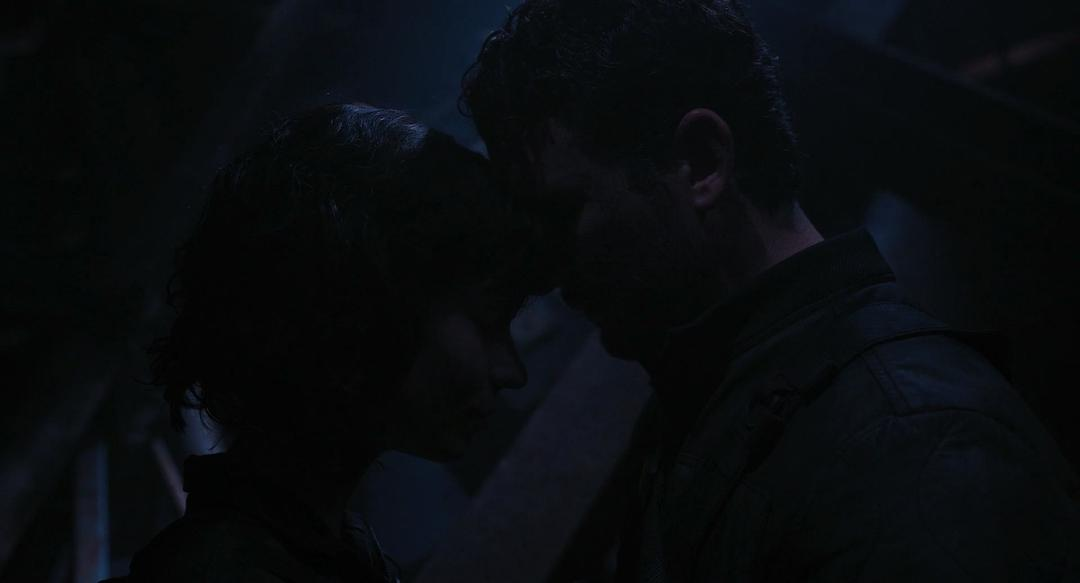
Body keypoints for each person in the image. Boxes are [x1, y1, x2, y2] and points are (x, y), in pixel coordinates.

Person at [462, 1, 1080, 581]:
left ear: (702, 162)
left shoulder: (909, 442)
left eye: (563, 213)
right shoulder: (716, 407)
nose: (549, 271)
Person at [111, 104, 546, 582]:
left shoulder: (316, 552)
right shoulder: (231, 572)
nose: (512, 371)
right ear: (362, 310)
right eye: (487, 323)